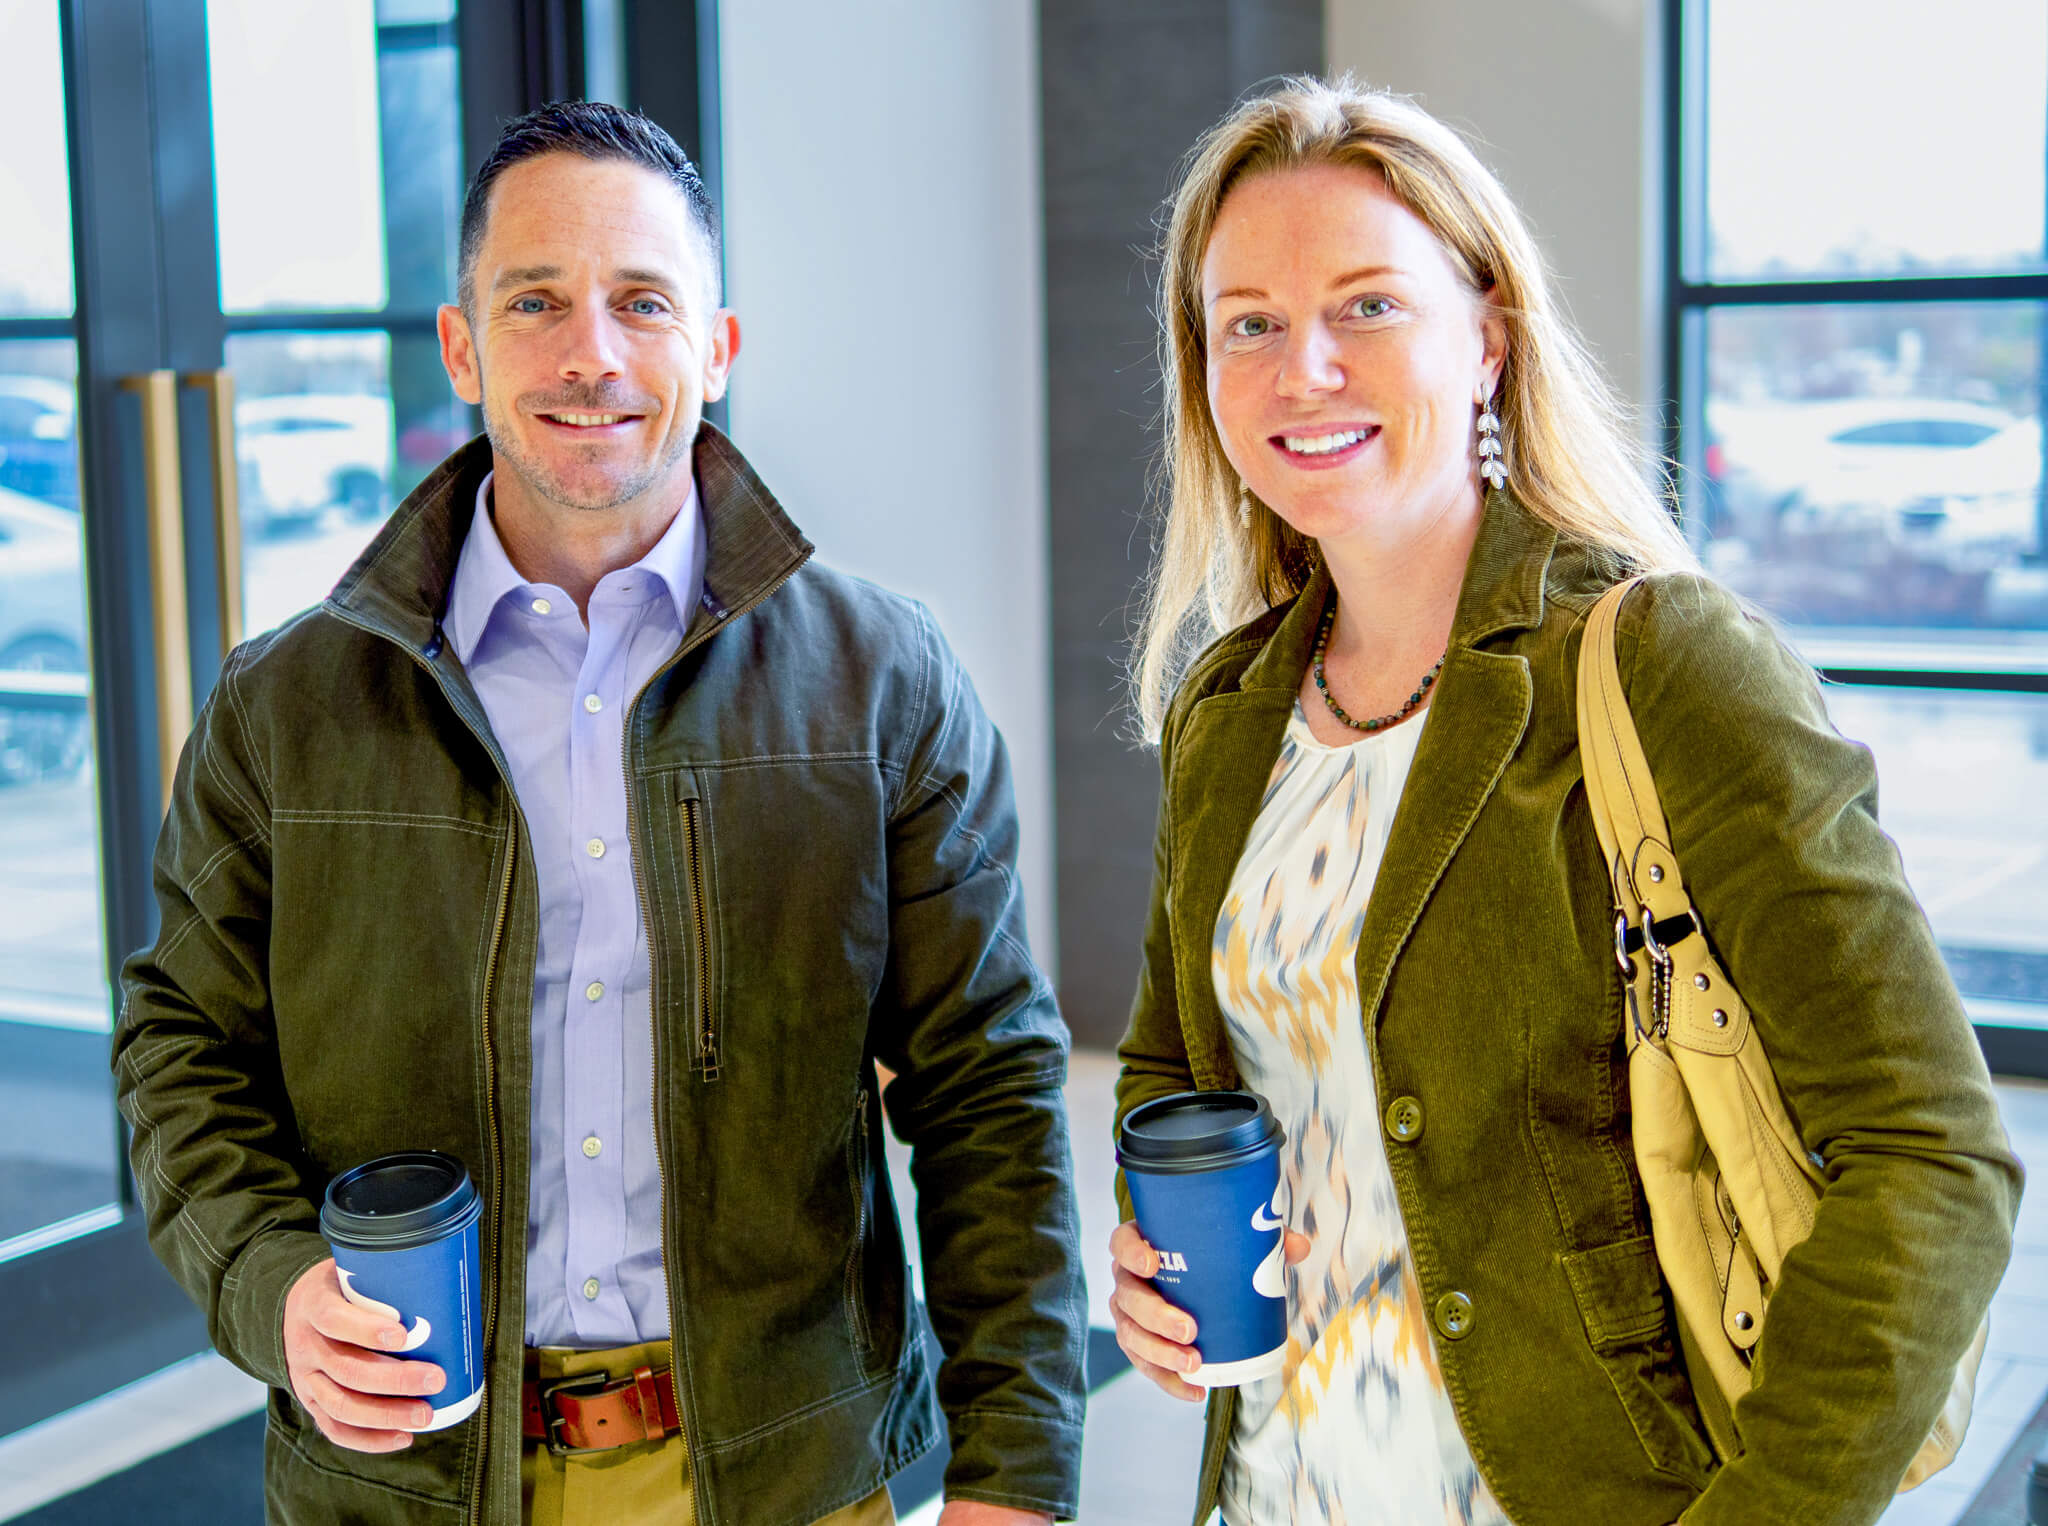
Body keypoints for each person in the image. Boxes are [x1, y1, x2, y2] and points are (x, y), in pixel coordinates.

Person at [115, 102, 1085, 1526]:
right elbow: (178, 1051)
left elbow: (988, 1086)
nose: (593, 354)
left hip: (790, 1475)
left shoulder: (884, 682)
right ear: (462, 345)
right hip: (403, 1488)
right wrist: (271, 1285)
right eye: (536, 301)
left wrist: (1018, 1472)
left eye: (644, 301)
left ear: (718, 346)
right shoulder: (289, 707)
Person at [1107, 76, 2021, 1526]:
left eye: (1366, 307)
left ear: (1487, 338)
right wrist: (1152, 1255)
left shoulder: (1663, 665)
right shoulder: (1227, 713)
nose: (1304, 370)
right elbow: (1174, 1064)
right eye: (1250, 324)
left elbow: (1935, 1157)